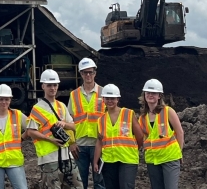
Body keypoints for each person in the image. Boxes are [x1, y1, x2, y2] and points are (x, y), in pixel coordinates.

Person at [26, 70, 82, 189]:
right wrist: (50, 140)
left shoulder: (61, 106)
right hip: (49, 158)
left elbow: (74, 126)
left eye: (55, 85)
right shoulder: (37, 109)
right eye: (49, 85)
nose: (53, 88)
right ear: (43, 86)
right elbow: (30, 132)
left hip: (67, 156)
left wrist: (64, 124)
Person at [93, 85, 143, 189]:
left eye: (112, 98)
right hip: (109, 161)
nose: (110, 101)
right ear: (103, 99)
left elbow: (140, 137)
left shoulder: (128, 114)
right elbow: (99, 142)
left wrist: (133, 149)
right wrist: (95, 161)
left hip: (127, 159)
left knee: (126, 186)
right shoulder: (101, 120)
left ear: (117, 99)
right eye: (107, 98)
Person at [137, 79, 183, 189]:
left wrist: (179, 153)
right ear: (144, 95)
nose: (150, 95)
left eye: (154, 93)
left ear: (159, 96)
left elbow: (180, 132)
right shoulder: (142, 117)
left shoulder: (168, 111)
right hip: (152, 160)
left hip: (169, 158)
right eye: (148, 92)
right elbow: (143, 138)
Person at [68, 58, 105, 189]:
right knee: (80, 182)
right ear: (81, 74)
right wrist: (71, 142)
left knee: (100, 181)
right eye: (85, 72)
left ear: (95, 73)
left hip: (98, 144)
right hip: (80, 145)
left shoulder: (104, 92)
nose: (88, 75)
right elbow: (69, 120)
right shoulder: (74, 95)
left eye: (90, 72)